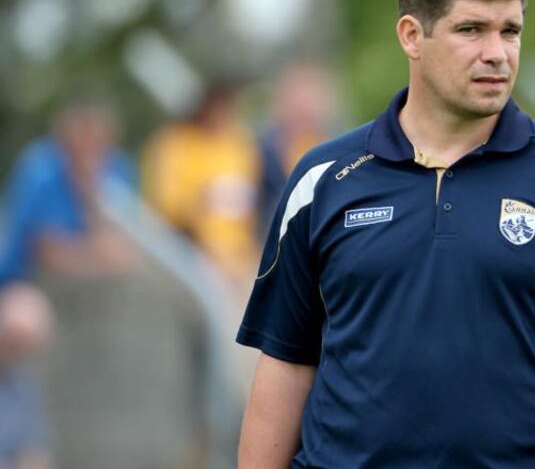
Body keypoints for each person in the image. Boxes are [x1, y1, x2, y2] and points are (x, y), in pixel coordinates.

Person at [236, 0, 535, 468]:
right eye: (471, 30)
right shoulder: (323, 178)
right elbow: (286, 364)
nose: (497, 54)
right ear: (412, 35)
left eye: (510, 31)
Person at [0, 99, 136, 469]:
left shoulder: (115, 168)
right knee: (25, 323)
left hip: (85, 309)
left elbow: (125, 246)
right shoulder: (40, 167)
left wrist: (90, 190)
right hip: (16, 284)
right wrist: (97, 255)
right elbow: (49, 252)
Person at [142, 78, 262, 284]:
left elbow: (249, 206)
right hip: (187, 253)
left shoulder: (239, 143)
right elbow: (165, 208)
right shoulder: (173, 144)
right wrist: (201, 201)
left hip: (237, 256)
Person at [257, 60, 337, 235]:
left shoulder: (338, 147)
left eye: (310, 97)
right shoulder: (264, 149)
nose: (304, 106)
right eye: (298, 97)